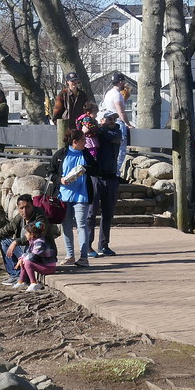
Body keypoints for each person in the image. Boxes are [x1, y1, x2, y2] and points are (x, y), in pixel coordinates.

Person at [48, 129, 97, 267]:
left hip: (82, 195)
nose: (85, 142)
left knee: (82, 225)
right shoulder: (60, 154)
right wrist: (60, 179)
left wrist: (85, 168)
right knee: (66, 226)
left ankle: (84, 257)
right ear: (74, 142)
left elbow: (96, 169)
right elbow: (50, 172)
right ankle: (70, 255)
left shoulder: (86, 153)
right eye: (83, 140)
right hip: (64, 196)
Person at [0, 194, 51, 285]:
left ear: (32, 206)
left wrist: (16, 242)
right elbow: (1, 233)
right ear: (18, 208)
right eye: (21, 208)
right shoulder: (19, 218)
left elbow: (36, 235)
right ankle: (16, 275)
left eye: (27, 207)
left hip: (39, 253)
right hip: (26, 251)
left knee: (19, 245)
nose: (24, 211)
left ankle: (25, 277)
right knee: (4, 241)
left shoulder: (39, 216)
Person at [85, 110, 122, 258]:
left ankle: (104, 245)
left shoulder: (117, 132)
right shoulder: (94, 133)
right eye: (109, 118)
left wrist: (98, 129)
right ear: (101, 120)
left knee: (108, 214)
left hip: (111, 178)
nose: (112, 121)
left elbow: (111, 137)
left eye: (114, 118)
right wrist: (91, 128)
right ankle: (87, 247)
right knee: (90, 214)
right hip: (95, 177)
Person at [100, 73, 133, 175]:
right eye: (123, 82)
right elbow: (121, 112)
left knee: (112, 149)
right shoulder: (117, 95)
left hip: (108, 123)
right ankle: (116, 173)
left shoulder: (108, 93)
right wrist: (128, 124)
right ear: (120, 82)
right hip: (118, 122)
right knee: (121, 150)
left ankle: (111, 171)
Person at [13, 220, 58, 292]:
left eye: (26, 233)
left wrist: (23, 259)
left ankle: (33, 283)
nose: (25, 234)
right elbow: (28, 253)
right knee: (24, 261)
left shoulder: (40, 243)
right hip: (43, 264)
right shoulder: (33, 241)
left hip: (48, 267)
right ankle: (21, 281)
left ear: (32, 234)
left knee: (27, 262)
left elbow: (34, 256)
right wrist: (22, 258)